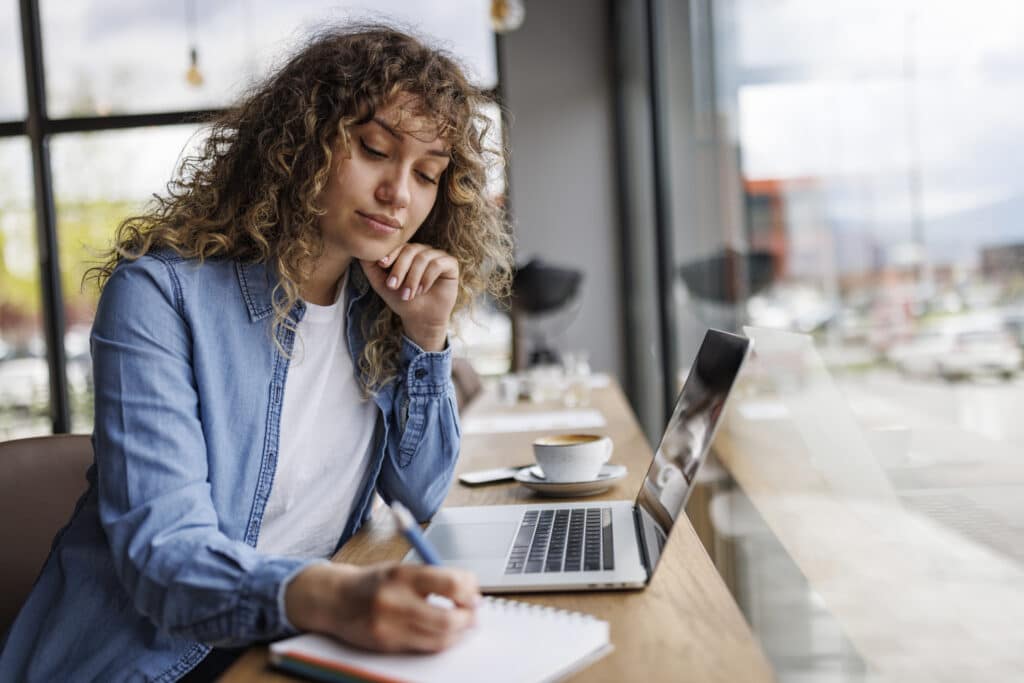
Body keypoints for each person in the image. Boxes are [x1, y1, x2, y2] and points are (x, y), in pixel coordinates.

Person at [0, 24, 513, 682]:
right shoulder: (159, 298)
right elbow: (167, 561)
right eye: (375, 150)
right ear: (302, 141)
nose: (400, 193)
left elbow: (419, 493)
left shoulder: (375, 306)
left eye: (428, 174)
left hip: (288, 641)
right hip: (148, 665)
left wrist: (426, 335)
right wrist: (335, 595)